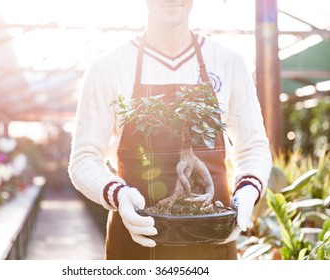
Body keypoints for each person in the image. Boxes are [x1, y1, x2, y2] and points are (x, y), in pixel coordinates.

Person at [69, 0, 272, 260]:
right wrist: (119, 195)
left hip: (212, 233)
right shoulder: (108, 67)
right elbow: (84, 158)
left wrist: (246, 192)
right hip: (136, 236)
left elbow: (253, 146)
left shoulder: (228, 62)